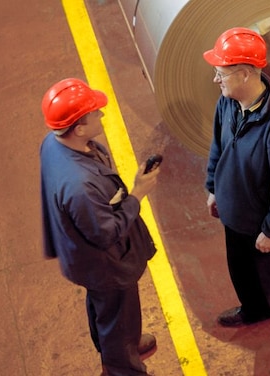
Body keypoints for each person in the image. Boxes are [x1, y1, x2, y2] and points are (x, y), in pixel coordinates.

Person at [39, 78, 161, 376]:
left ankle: (119, 344)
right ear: (79, 128)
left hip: (84, 259)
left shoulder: (53, 143)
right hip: (106, 266)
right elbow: (106, 232)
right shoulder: (79, 186)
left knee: (106, 310)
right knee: (118, 315)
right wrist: (137, 193)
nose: (102, 116)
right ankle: (121, 363)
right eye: (95, 113)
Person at [202, 27, 270, 366]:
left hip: (263, 225)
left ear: (244, 73)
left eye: (221, 74)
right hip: (233, 213)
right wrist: (213, 187)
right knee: (241, 270)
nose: (216, 81)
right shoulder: (227, 103)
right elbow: (217, 146)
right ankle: (254, 309)